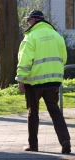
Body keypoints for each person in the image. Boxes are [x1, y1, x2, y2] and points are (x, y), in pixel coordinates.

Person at [15, 10, 71, 154]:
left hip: (34, 83)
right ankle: (65, 141)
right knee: (55, 112)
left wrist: (21, 79)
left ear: (33, 20)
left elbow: (25, 61)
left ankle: (33, 145)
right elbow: (63, 58)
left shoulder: (30, 37)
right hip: (53, 81)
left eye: (28, 20)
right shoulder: (57, 36)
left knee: (33, 113)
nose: (28, 23)